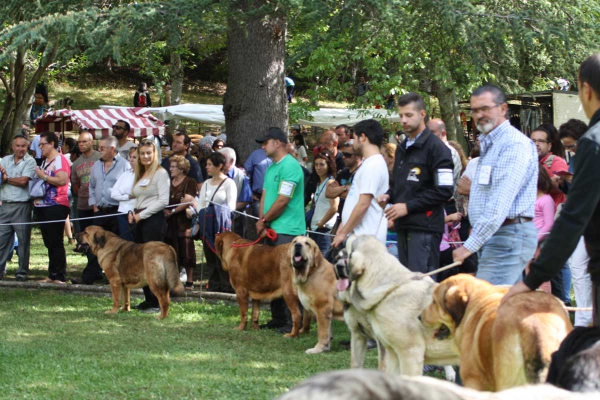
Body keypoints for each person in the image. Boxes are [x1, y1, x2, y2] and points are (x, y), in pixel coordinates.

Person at [453, 85, 538, 286]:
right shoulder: (490, 145)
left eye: (485, 108)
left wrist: (468, 247)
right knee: (504, 309)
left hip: (508, 235)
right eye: (474, 110)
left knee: (488, 308)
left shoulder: (513, 145)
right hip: (495, 235)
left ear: (503, 108)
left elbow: (500, 202)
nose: (479, 115)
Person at [377, 93, 454, 275]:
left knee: (422, 286)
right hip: (403, 226)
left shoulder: (437, 148)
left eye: (409, 115)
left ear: (422, 114)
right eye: (401, 115)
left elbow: (445, 191)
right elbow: (400, 184)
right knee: (407, 286)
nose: (403, 120)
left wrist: (408, 207)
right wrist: (389, 195)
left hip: (425, 228)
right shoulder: (403, 147)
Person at [255, 127, 305, 333]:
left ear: (277, 142)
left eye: (265, 143)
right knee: (273, 275)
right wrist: (262, 221)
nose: (262, 146)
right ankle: (278, 318)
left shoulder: (291, 167)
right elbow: (265, 196)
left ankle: (293, 321)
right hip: (271, 227)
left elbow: (284, 200)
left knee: (289, 278)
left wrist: (265, 219)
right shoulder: (271, 168)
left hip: (288, 231)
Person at [73, 136, 128, 285]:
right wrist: (94, 205)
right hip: (100, 211)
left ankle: (117, 277)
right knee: (93, 244)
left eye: (102, 148)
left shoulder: (125, 165)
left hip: (117, 211)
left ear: (112, 149)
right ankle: (89, 277)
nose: (99, 150)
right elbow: (91, 186)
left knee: (118, 245)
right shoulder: (96, 165)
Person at [332, 119, 388, 248]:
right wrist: (343, 228)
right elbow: (355, 199)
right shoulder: (368, 164)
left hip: (366, 240)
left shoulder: (373, 165)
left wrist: (343, 233)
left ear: (363, 137)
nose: (353, 142)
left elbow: (363, 204)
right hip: (358, 238)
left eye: (355, 138)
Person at [129, 139, 170, 313]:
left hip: (153, 220)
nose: (145, 156)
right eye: (142, 153)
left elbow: (163, 201)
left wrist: (141, 215)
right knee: (142, 261)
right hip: (139, 219)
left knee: (153, 262)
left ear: (155, 154)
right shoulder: (141, 173)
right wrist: (132, 212)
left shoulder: (160, 173)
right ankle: (148, 299)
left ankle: (157, 302)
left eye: (148, 153)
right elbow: (137, 197)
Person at [559, 119, 593, 326]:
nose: (570, 150)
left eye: (572, 145)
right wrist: (564, 184)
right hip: (580, 221)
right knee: (578, 268)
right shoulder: (573, 159)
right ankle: (582, 319)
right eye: (566, 147)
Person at [33, 132, 71, 284]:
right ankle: (52, 273)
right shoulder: (44, 161)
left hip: (56, 205)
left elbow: (62, 180)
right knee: (48, 241)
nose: (40, 147)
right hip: (42, 205)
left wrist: (43, 176)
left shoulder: (60, 160)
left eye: (43, 144)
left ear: (52, 144)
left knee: (56, 241)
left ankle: (60, 275)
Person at [198, 152, 237, 293]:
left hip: (222, 225)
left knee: (222, 254)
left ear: (219, 166)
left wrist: (217, 210)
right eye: (206, 165)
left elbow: (231, 206)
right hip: (207, 224)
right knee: (209, 254)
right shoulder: (206, 183)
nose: (207, 167)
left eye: (209, 165)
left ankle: (227, 285)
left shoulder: (229, 183)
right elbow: (201, 203)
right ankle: (213, 284)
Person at [0, 135, 36, 281]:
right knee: (1, 241)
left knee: (23, 242)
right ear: (12, 147)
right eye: (18, 146)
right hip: (5, 205)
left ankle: (22, 272)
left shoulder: (30, 161)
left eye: (24, 146)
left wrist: (6, 179)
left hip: (22, 206)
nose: (21, 149)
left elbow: (23, 181)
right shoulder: (4, 160)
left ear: (27, 147)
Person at [164, 155, 198, 291]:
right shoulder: (168, 182)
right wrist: (164, 211)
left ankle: (189, 281)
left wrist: (173, 210)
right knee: (171, 250)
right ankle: (174, 280)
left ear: (182, 169)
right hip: (168, 222)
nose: (170, 169)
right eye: (170, 166)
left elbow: (188, 200)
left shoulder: (190, 182)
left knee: (186, 249)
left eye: (173, 167)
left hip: (184, 222)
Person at [71, 131, 100, 250]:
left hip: (98, 204)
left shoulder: (99, 157)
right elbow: (75, 183)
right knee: (85, 236)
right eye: (79, 142)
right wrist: (82, 194)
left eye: (84, 142)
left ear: (91, 142)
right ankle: (89, 262)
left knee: (98, 236)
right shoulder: (76, 163)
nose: (81, 144)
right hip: (83, 204)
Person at [325, 140, 363, 231]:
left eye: (347, 155)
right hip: (342, 219)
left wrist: (337, 191)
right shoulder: (342, 173)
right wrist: (345, 188)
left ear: (358, 156)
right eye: (343, 154)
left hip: (357, 222)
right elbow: (328, 193)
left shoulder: (363, 172)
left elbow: (357, 197)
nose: (343, 157)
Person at [427, 118, 463, 214]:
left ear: (443, 134)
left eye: (432, 132)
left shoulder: (449, 152)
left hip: (445, 205)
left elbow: (442, 185)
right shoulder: (429, 151)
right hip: (430, 203)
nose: (427, 135)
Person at [308, 152, 338, 259]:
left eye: (322, 164)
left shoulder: (331, 183)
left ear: (328, 166)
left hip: (324, 230)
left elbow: (334, 207)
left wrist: (322, 222)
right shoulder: (319, 183)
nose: (318, 168)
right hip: (315, 229)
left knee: (323, 263)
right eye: (316, 165)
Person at [531, 123, 569, 208]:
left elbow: (563, 186)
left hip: (551, 215)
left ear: (549, 146)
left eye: (541, 141)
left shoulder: (556, 162)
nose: (536, 144)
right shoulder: (527, 162)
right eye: (533, 141)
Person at [218, 147, 252, 236]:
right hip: (217, 219)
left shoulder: (241, 177)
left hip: (236, 220)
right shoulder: (214, 174)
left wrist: (226, 208)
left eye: (222, 160)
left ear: (231, 161)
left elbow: (246, 200)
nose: (219, 162)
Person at [110, 147, 138, 241]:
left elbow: (139, 193)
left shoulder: (144, 175)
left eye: (135, 157)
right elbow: (114, 194)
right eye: (130, 157)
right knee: (125, 242)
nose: (131, 159)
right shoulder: (125, 174)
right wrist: (128, 196)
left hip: (136, 213)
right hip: (122, 212)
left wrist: (123, 194)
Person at [244, 145, 272, 217]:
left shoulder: (280, 156)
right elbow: (246, 174)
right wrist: (249, 192)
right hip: (258, 196)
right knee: (259, 222)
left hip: (276, 197)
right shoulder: (256, 154)